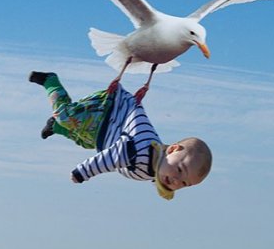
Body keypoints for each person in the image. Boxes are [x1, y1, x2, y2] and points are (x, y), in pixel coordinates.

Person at [29, 71, 212, 199]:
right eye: (180, 171)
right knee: (65, 116)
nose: (176, 181)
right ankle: (50, 81)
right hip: (108, 113)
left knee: (84, 141)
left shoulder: (158, 166)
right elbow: (111, 158)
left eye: (184, 184)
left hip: (106, 136)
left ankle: (56, 128)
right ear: (172, 149)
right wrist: (82, 173)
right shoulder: (139, 150)